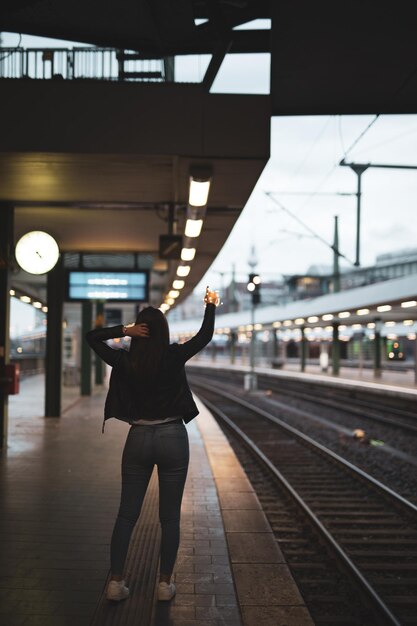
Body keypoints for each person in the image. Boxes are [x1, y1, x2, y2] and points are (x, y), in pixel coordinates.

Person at [85, 288, 218, 602]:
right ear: (164, 332)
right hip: (173, 437)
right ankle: (163, 584)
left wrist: (122, 331)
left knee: (126, 515)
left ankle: (116, 583)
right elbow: (204, 336)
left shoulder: (124, 360)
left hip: (139, 437)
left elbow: (92, 337)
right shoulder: (174, 355)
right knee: (169, 517)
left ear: (138, 332)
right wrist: (210, 305)